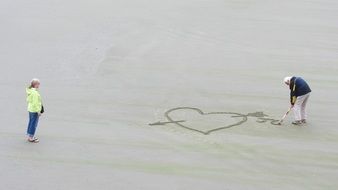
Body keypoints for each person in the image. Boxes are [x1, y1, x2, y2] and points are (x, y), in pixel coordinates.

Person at [26, 78, 43, 143]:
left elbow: (29, 100)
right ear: (35, 85)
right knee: (34, 124)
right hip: (34, 110)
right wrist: (38, 111)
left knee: (31, 122)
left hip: (30, 109)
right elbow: (35, 103)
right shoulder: (35, 93)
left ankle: (29, 135)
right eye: (38, 84)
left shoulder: (30, 91)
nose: (39, 85)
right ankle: (31, 137)